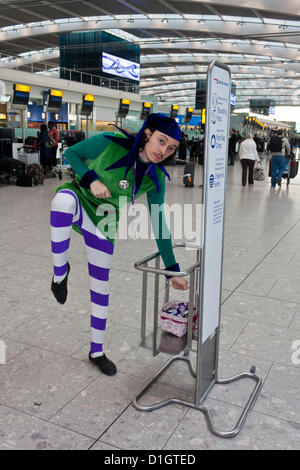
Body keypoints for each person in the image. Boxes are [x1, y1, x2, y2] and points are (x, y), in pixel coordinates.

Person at [50, 113, 189, 376]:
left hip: (105, 222)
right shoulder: (107, 142)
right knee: (62, 203)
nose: (164, 151)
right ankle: (60, 273)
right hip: (80, 199)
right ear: (147, 134)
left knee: (100, 288)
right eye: (161, 141)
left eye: (170, 148)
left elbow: (160, 223)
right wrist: (91, 180)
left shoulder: (155, 178)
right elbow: (72, 154)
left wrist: (172, 269)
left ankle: (97, 351)